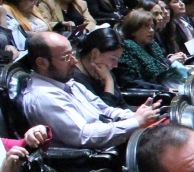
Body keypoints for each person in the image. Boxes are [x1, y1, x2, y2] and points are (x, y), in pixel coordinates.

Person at [21, 31, 161, 149]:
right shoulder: (44, 96)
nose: (74, 61)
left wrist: (139, 115)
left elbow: (105, 110)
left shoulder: (67, 82)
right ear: (42, 63)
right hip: (94, 159)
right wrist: (135, 122)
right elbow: (84, 135)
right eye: (66, 57)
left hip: (110, 141)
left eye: (72, 54)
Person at [118, 9, 185, 90]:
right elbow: (131, 82)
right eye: (145, 26)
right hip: (149, 93)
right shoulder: (125, 50)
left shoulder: (153, 46)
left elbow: (161, 67)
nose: (151, 30)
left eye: (152, 26)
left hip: (164, 86)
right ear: (133, 31)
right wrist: (164, 89)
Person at [73, 28, 128, 108]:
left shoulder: (104, 71)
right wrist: (109, 81)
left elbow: (123, 105)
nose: (116, 65)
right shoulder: (75, 79)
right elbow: (102, 112)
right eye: (113, 58)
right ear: (95, 54)